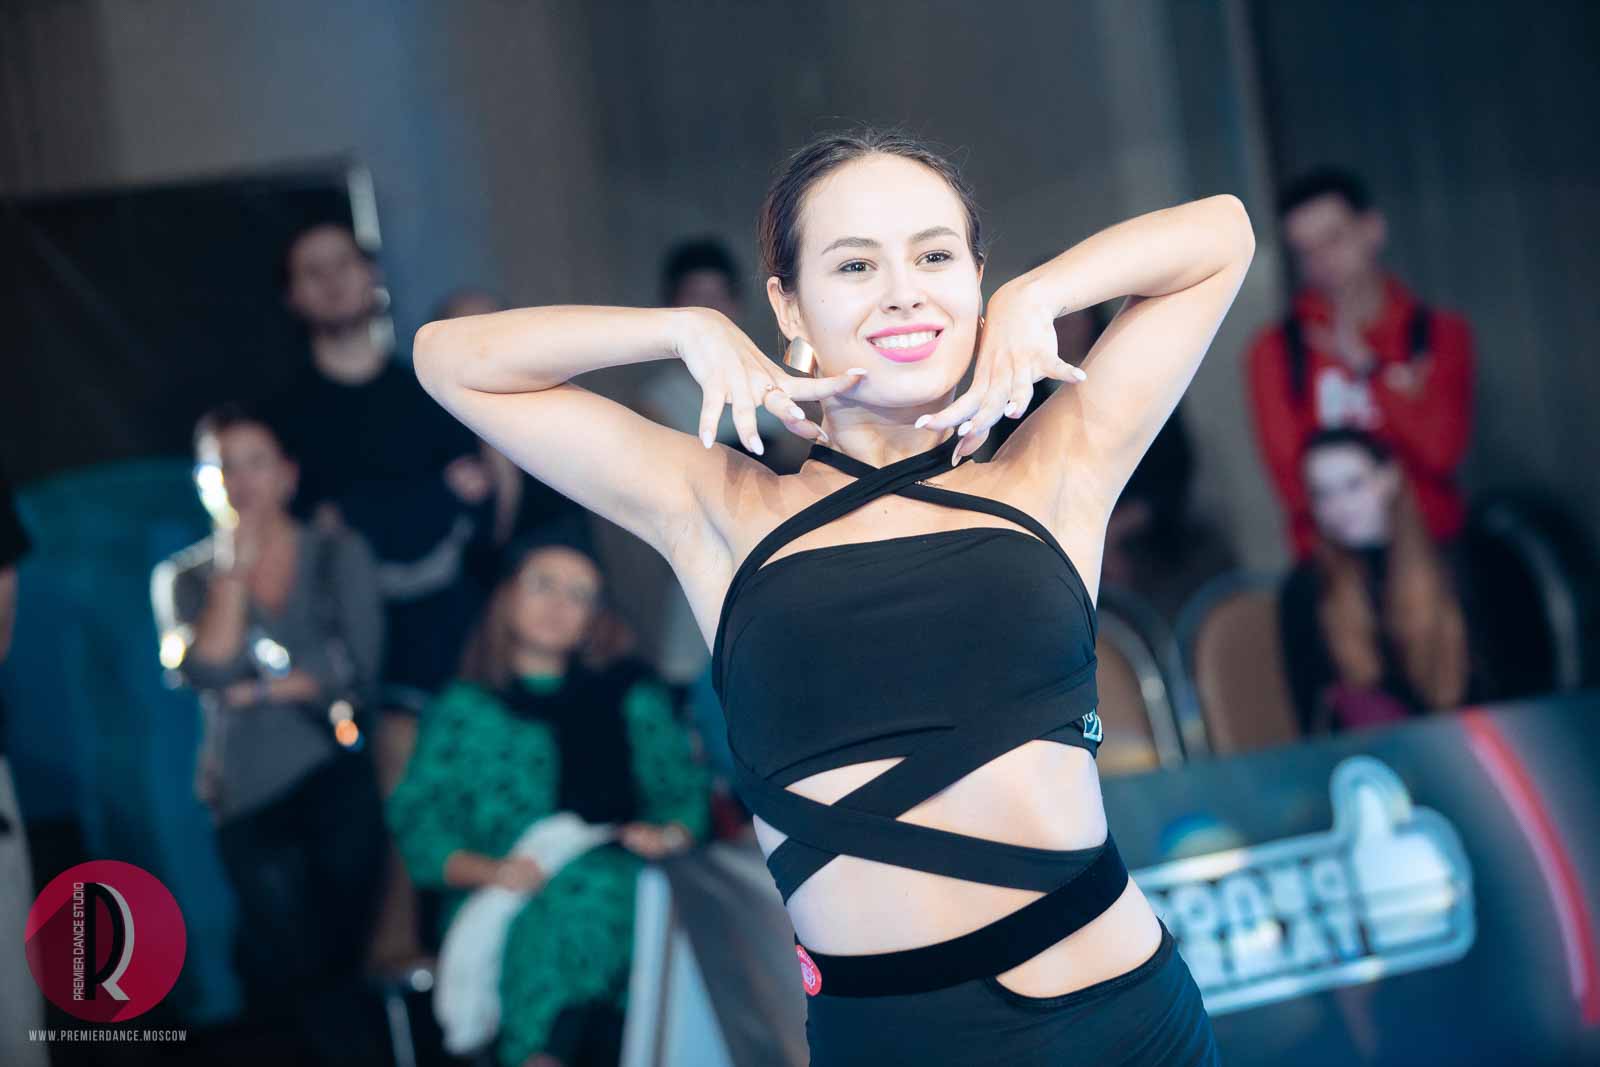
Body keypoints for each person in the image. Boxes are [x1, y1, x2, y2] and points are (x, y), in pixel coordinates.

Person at [409, 127, 1247, 1064]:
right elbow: (449, 358)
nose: (903, 290)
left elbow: (1222, 234)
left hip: (1115, 1020)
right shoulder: (719, 506)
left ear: (975, 280)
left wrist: (1039, 293)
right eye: (854, 265)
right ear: (789, 306)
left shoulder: (1051, 466)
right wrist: (681, 328)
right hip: (883, 1038)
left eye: (935, 256)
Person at [386, 520, 709, 1067]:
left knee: (594, 897)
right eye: (543, 585)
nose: (558, 605)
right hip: (500, 895)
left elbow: (682, 792)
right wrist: (492, 872)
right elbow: (418, 819)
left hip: (617, 888)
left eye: (577, 594)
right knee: (548, 922)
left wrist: (668, 834)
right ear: (508, 594)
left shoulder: (629, 695)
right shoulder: (464, 710)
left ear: (594, 616)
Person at [151, 403, 390, 1066]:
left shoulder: (337, 552)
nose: (240, 480)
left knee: (343, 957)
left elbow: (357, 671)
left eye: (255, 461)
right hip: (248, 793)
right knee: (296, 967)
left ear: (287, 472)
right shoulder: (183, 578)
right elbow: (208, 668)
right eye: (222, 466)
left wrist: (258, 690)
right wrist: (235, 570)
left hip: (333, 773)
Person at [266, 221, 493, 714]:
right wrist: (436, 495)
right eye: (313, 271)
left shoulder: (431, 393)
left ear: (371, 273)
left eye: (343, 264)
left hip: (452, 644)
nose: (333, 280)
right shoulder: (277, 422)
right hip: (336, 657)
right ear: (292, 295)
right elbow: (302, 534)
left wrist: (353, 512)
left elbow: (480, 506)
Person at [1245, 167, 1475, 559]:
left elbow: (1442, 454)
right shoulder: (1275, 351)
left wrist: (1370, 367)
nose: (1323, 260)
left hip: (1433, 548)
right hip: (1331, 562)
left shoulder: (1438, 333)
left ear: (1372, 229)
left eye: (1334, 238)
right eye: (1306, 250)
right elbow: (1293, 487)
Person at [1278, 428, 1472, 735]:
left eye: (1353, 485)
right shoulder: (1306, 589)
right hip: (1371, 755)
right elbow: (1311, 716)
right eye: (1322, 493)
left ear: (1389, 478)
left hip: (1464, 741)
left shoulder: (1454, 565)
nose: (1339, 506)